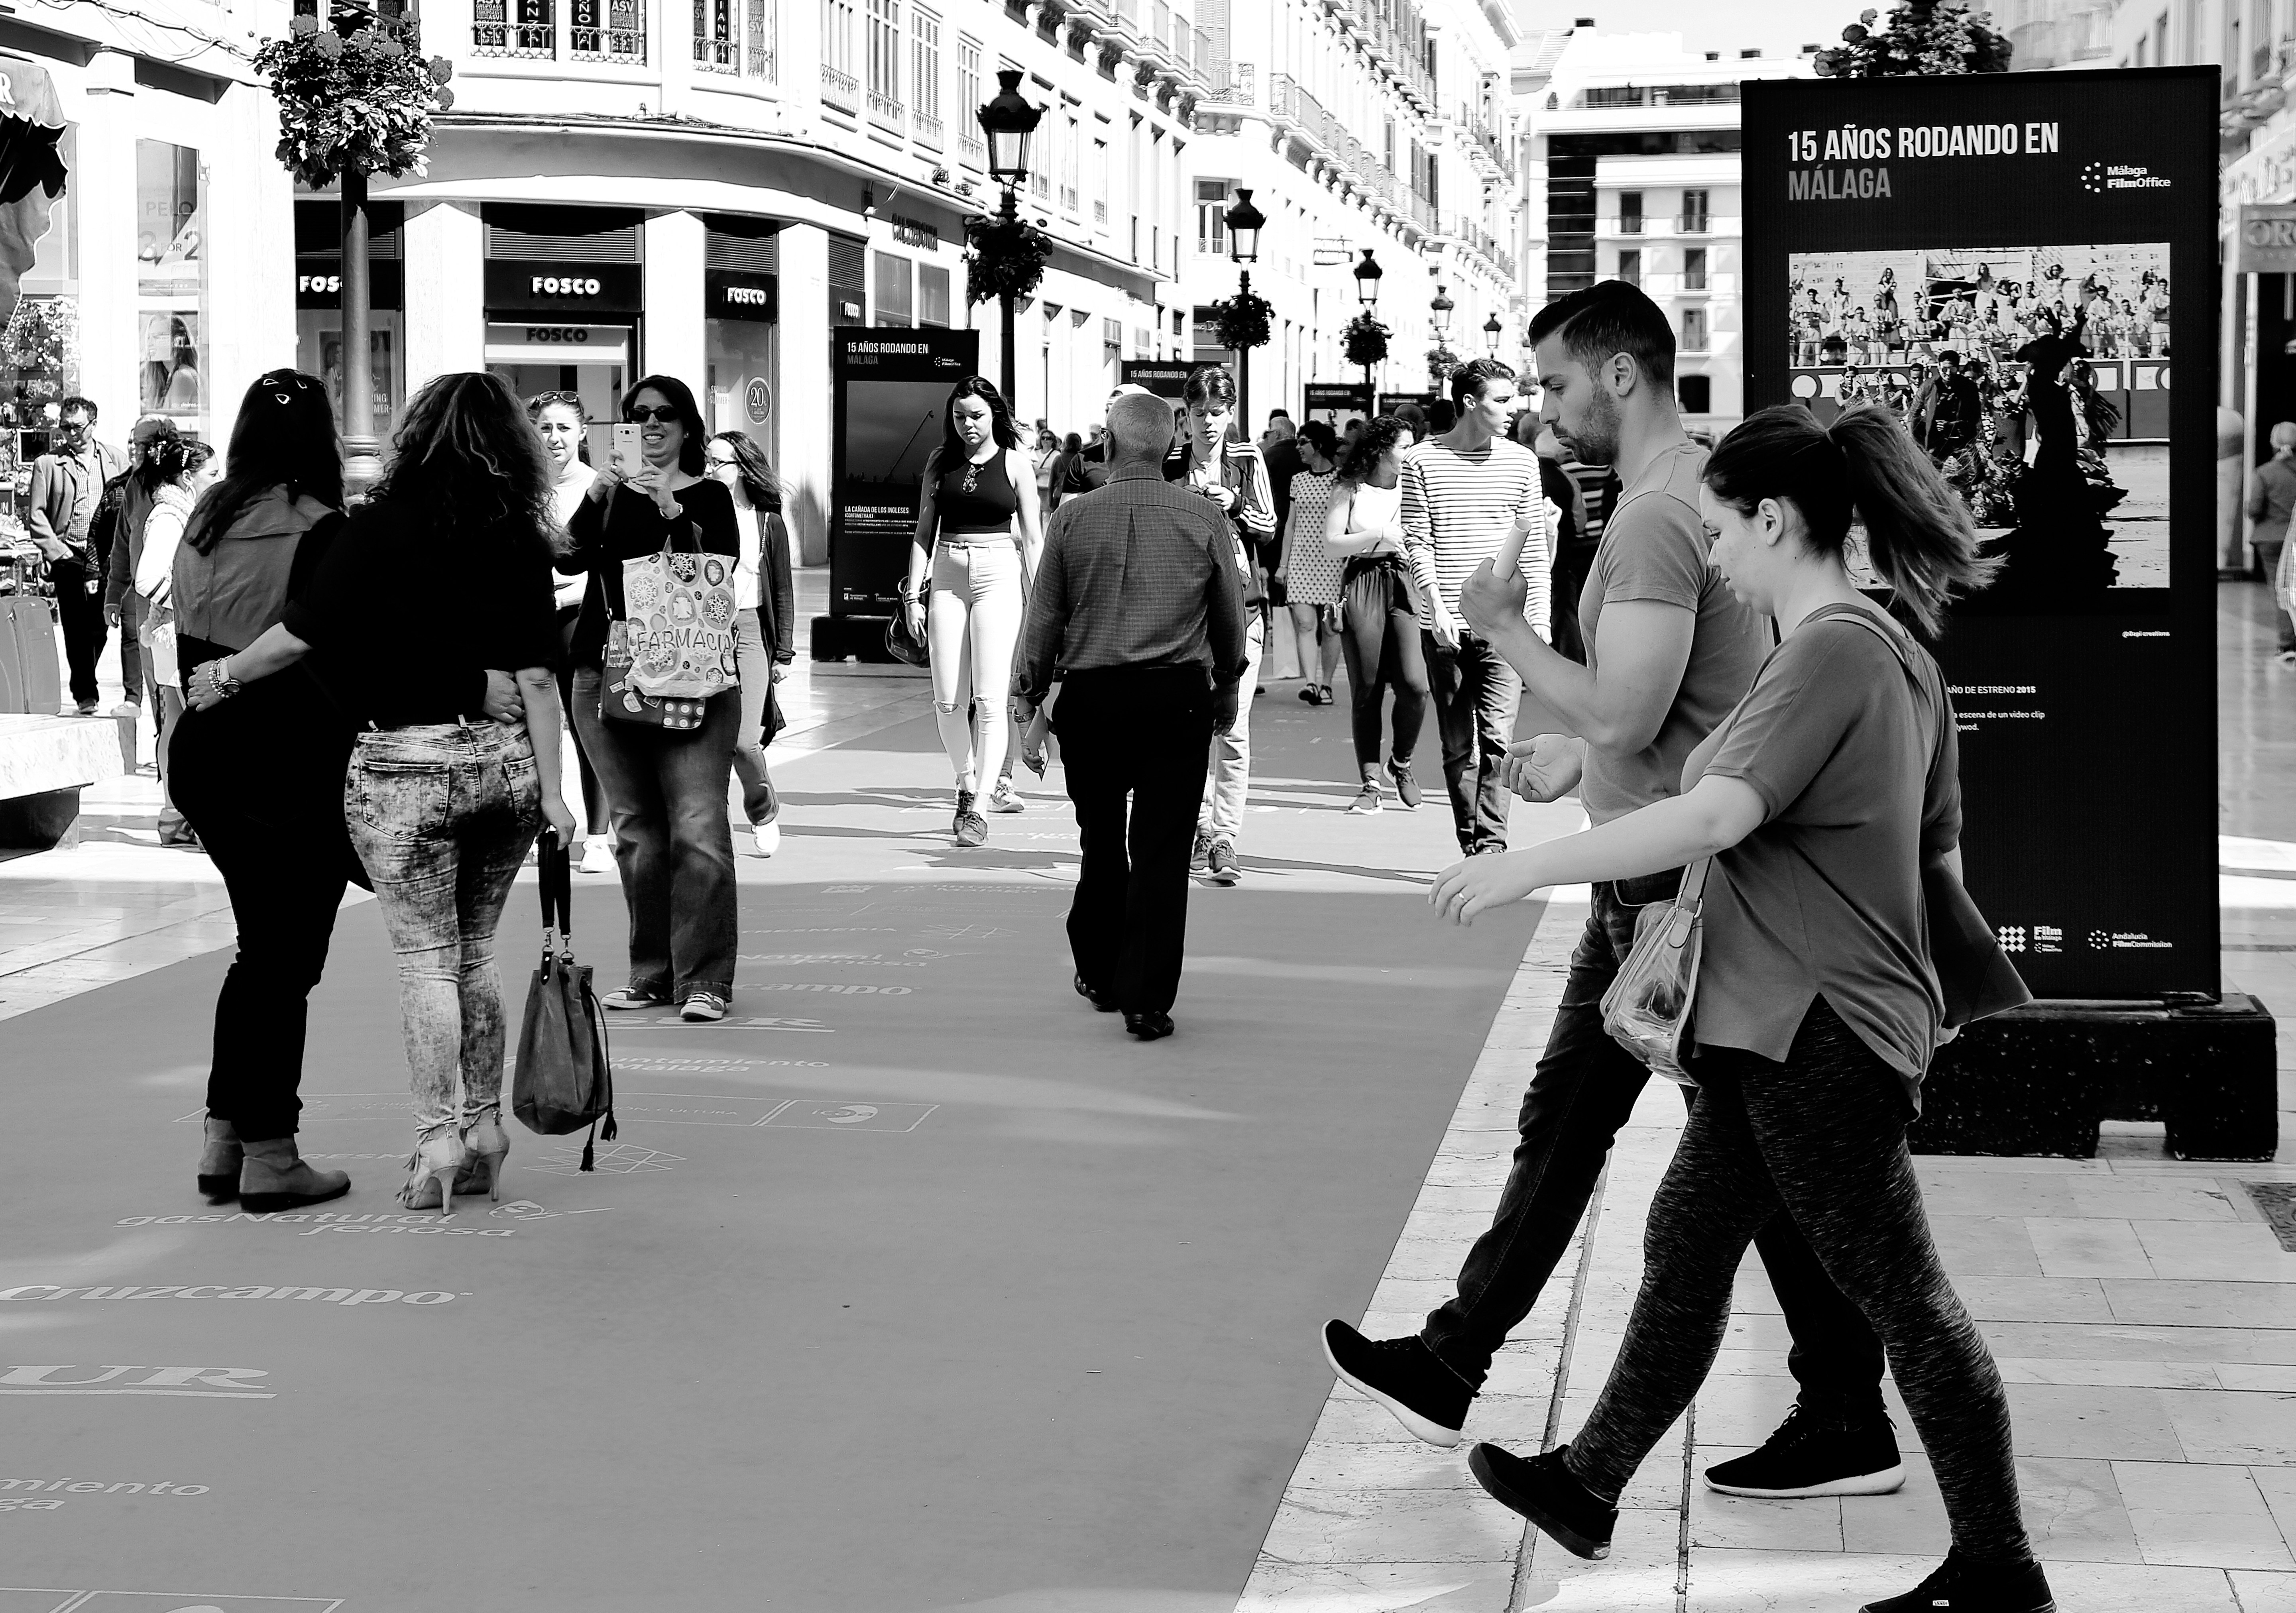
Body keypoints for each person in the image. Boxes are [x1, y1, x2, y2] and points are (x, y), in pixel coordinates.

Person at [1434, 403, 2048, 1613]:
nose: (1713, 554)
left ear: (1774, 520)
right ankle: (1587, 1483)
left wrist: (1523, 864)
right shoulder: (1889, 649)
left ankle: (2000, 1567)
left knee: (1907, 1300)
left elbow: (1717, 814)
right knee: (1686, 1240)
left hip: (1812, 1028)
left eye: (1722, 529)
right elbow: (1942, 854)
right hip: (1796, 1023)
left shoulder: (1831, 650)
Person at [1326, 281, 1895, 1509]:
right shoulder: (1689, 491)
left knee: (1706, 1147)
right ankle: (1458, 1354)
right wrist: (1578, 758)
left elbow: (1635, 703)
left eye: (1555, 382)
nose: (1545, 406)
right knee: (1643, 1130)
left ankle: (1833, 1405)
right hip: (1666, 866)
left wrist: (1504, 635)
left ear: (1621, 374)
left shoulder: (1650, 518)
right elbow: (1689, 701)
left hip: (1665, 882)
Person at [197, 373, 572, 1214]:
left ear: (416, 437)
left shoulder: (369, 532)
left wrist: (220, 675)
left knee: (428, 964)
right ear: (511, 443)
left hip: (403, 766)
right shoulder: (519, 534)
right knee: (477, 955)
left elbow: (298, 638)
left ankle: (437, 1138)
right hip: (506, 768)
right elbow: (541, 680)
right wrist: (557, 797)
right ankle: (484, 1130)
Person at [171, 373, 418, 1211]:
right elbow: (344, 663)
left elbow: (190, 654)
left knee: (259, 952)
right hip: (286, 763)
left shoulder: (204, 520)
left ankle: (227, 1138)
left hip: (206, 755)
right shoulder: (323, 532)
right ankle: (270, 1151)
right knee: (282, 961)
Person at [1013, 389, 1247, 1041]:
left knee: (1101, 839)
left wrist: (1028, 694)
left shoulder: (1071, 519)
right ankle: (1146, 998)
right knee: (1163, 851)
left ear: (1108, 446)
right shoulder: (1203, 518)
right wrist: (1228, 686)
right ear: (1173, 445)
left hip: (1093, 700)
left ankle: (1097, 965)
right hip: (1176, 696)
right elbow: (1230, 617)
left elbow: (1045, 618)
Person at [566, 375, 743, 1022]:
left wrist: (674, 515)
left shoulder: (712, 495)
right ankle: (651, 973)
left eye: (665, 414)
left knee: (696, 825)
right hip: (609, 671)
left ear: (689, 425)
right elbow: (565, 558)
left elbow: (720, 571)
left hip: (692, 673)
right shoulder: (613, 493)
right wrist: (598, 492)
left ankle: (705, 980)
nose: (651, 423)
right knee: (637, 831)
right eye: (638, 415)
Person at [1398, 357, 1552, 857]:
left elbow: (1530, 547)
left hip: (1505, 629)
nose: (1514, 410)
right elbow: (1417, 543)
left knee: (1499, 740)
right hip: (1442, 628)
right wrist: (1436, 607)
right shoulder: (1421, 460)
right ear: (1470, 402)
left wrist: (1541, 622)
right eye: (1502, 400)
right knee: (1458, 746)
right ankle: (1472, 840)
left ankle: (1492, 845)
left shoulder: (1522, 461)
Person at [900, 377, 1045, 843]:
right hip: (946, 572)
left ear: (995, 416)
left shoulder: (1016, 464)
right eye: (960, 416)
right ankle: (965, 784)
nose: (968, 425)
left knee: (989, 699)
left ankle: (981, 805)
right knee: (946, 699)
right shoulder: (940, 462)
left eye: (977, 416)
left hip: (999, 571)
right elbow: (923, 532)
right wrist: (912, 596)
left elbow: (1034, 537)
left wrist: (1042, 596)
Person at [1170, 365, 1274, 884]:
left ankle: (1225, 834)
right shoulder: (1170, 465)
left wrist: (1236, 504)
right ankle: (1201, 827)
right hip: (1184, 614)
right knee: (1189, 728)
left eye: (1218, 413)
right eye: (1199, 413)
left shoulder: (1248, 459)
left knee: (1233, 728)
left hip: (1243, 609)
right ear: (1185, 417)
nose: (1209, 423)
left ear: (1231, 414)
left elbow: (1270, 526)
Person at [528, 390, 614, 874]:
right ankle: (540, 822)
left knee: (586, 725)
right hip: (533, 616)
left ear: (583, 432)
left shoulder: (599, 486)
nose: (554, 437)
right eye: (545, 427)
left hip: (580, 615)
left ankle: (599, 836)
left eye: (564, 428)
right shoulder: (520, 487)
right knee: (530, 728)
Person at [1323, 417, 1427, 815]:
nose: (1410, 453)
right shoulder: (1349, 486)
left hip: (1405, 580)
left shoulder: (1415, 485)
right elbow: (1333, 544)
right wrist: (1380, 534)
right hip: (1363, 580)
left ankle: (1401, 763)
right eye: (1404, 446)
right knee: (1366, 688)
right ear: (1382, 449)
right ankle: (1370, 784)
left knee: (1416, 685)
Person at [708, 430, 797, 854]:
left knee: (745, 740)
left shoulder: (767, 522)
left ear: (741, 467)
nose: (710, 469)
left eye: (719, 462)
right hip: (705, 635)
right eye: (707, 461)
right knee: (708, 740)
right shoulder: (698, 512)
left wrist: (784, 653)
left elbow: (782, 589)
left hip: (748, 633)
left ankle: (763, 812)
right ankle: (710, 825)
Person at [128, 437, 217, 848]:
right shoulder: (169, 515)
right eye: (211, 475)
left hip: (173, 632)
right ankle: (195, 816)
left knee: (178, 724)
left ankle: (175, 816)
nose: (218, 481)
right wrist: (187, 607)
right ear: (187, 478)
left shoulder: (178, 511)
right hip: (176, 632)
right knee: (194, 726)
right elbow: (147, 578)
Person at [28, 396, 127, 715]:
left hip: (106, 553)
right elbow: (37, 515)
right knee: (74, 624)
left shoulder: (115, 460)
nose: (71, 434)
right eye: (66, 427)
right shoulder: (48, 464)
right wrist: (56, 553)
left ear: (93, 425)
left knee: (99, 625)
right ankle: (85, 691)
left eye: (78, 427)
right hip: (68, 552)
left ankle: (86, 674)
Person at [98, 416, 182, 729]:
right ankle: (165, 757)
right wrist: (112, 597)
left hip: (183, 601)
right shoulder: (133, 486)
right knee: (158, 688)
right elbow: (121, 545)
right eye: (132, 441)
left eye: (141, 443)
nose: (134, 447)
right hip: (143, 599)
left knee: (180, 689)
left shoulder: (182, 482)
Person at [1274, 421, 1343, 706]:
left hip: (1333, 560)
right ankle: (1311, 683)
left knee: (1330, 626)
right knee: (1304, 623)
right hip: (1302, 560)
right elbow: (1290, 525)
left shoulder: (1342, 479)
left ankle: (1326, 684)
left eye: (1304, 442)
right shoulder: (1298, 480)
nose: (1299, 447)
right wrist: (1283, 564)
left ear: (1319, 445)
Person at [2250, 422, 2296, 664]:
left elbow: (2253, 508)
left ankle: (2288, 645)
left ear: (2274, 443)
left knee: (2283, 593)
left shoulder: (2266, 472)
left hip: (2273, 539)